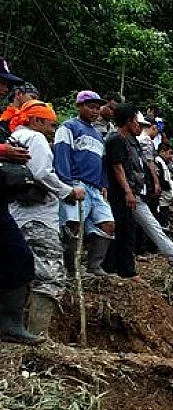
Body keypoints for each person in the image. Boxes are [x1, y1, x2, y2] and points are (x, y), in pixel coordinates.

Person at [8, 100, 85, 336]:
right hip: (38, 217)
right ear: (36, 120)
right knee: (49, 275)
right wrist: (68, 191)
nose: (52, 130)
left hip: (15, 216)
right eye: (50, 124)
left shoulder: (12, 139)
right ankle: (37, 334)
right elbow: (42, 173)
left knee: (19, 273)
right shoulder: (36, 138)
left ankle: (14, 327)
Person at [105, 106, 173, 279]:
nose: (139, 126)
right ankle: (116, 269)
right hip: (121, 194)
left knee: (143, 226)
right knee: (124, 231)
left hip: (133, 192)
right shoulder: (116, 140)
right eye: (136, 122)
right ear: (128, 121)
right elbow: (118, 168)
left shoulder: (131, 141)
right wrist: (127, 191)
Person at [54, 91, 116, 276]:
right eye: (90, 107)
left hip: (95, 187)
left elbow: (101, 163)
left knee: (107, 224)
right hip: (76, 182)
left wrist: (103, 184)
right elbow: (62, 155)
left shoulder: (98, 135)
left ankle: (94, 266)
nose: (95, 111)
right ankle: (72, 269)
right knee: (73, 225)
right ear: (79, 106)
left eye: (97, 108)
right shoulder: (69, 127)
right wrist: (67, 184)